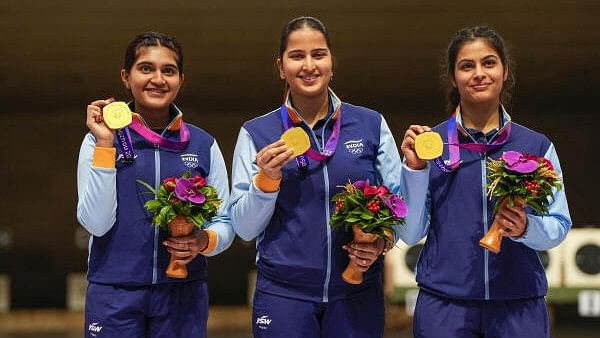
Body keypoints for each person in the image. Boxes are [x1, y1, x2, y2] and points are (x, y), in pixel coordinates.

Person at [228, 16, 403, 338]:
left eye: (318, 54)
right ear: (281, 67)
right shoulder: (257, 133)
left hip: (357, 291)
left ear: (331, 63)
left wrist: (381, 241)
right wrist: (266, 181)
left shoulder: (370, 125)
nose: (309, 65)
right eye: (297, 56)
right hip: (283, 295)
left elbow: (398, 203)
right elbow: (243, 227)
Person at [399, 26, 572, 337]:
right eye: (467, 66)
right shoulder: (430, 145)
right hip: (444, 305)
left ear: (505, 71)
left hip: (519, 303)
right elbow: (410, 233)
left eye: (488, 63)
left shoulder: (536, 146)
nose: (479, 73)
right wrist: (414, 170)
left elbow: (559, 224)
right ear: (453, 77)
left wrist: (526, 228)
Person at [76, 31, 234, 338]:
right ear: (126, 76)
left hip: (183, 293)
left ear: (181, 80)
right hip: (113, 292)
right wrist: (106, 144)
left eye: (168, 70)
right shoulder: (99, 139)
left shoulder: (203, 144)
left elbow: (225, 221)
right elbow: (95, 222)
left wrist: (203, 241)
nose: (158, 79)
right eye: (146, 68)